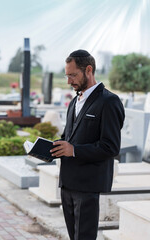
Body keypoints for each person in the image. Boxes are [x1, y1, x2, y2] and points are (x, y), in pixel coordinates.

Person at [50, 49, 125, 240]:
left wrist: (73, 150)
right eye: (67, 76)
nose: (69, 81)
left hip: (88, 184)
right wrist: (53, 147)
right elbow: (69, 136)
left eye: (73, 75)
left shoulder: (109, 102)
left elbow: (111, 147)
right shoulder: (74, 102)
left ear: (89, 70)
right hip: (67, 182)